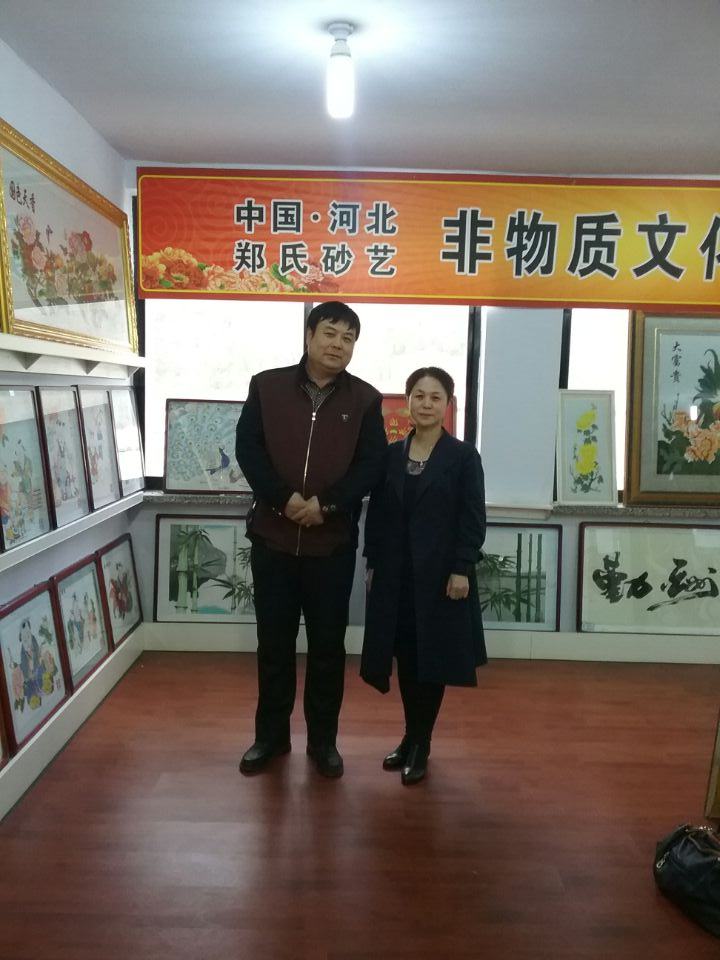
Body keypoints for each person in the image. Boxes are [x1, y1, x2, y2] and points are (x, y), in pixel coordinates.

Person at [235, 301, 387, 778]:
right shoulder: (267, 386)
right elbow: (248, 449)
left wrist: (328, 505)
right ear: (309, 335)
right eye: (330, 333)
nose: (338, 344)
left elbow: (371, 465)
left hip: (331, 546)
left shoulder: (365, 400)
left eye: (348, 338)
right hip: (273, 539)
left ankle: (323, 743)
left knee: (327, 649)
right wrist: (284, 499)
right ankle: (270, 738)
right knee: (273, 645)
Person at [361, 366, 487, 785]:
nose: (426, 404)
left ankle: (421, 743)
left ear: (448, 404)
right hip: (395, 577)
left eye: (435, 397)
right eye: (419, 395)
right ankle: (410, 736)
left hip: (440, 578)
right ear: (408, 401)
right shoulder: (392, 455)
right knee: (404, 657)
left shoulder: (463, 457)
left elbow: (472, 517)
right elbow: (378, 515)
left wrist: (461, 568)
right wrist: (372, 562)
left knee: (430, 660)